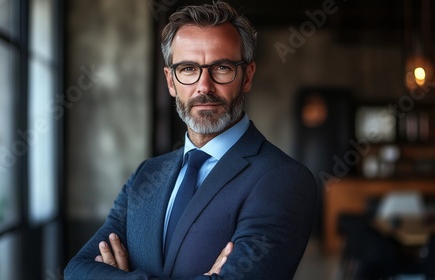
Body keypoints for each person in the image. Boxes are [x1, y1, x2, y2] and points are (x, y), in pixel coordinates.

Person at [64, 1, 316, 279]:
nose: (204, 86)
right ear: (171, 81)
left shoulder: (284, 179)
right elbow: (76, 270)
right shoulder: (146, 175)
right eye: (188, 69)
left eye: (221, 68)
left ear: (247, 76)